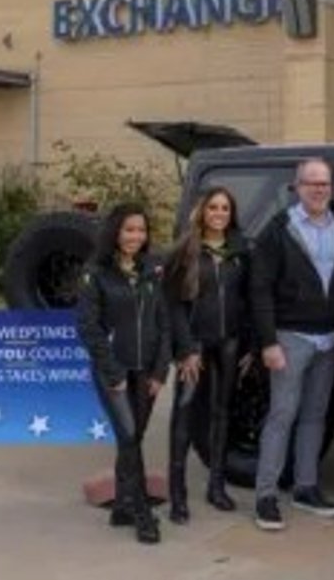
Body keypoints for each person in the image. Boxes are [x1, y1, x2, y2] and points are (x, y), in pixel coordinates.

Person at [249, 157, 334, 531]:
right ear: (296, 187)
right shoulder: (278, 229)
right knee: (282, 415)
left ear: (331, 187)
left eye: (324, 183)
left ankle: (306, 487)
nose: (318, 189)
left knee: (316, 416)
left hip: (329, 339)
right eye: (311, 183)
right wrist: (268, 342)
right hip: (289, 338)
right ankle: (265, 495)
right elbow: (259, 288)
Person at [77, 203, 172, 545]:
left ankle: (122, 505)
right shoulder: (96, 273)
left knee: (132, 440)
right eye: (129, 230)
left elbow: (163, 322)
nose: (136, 236)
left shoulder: (154, 269)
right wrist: (112, 371)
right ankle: (143, 513)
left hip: (146, 370)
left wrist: (160, 371)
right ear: (115, 232)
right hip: (113, 372)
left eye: (141, 230)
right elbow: (88, 327)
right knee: (130, 438)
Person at [162, 185, 248, 524]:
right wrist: (185, 350)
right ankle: (178, 495)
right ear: (203, 211)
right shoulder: (185, 251)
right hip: (195, 344)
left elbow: (247, 298)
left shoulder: (239, 250)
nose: (219, 214)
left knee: (222, 413)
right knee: (184, 414)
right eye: (214, 207)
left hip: (228, 343)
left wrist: (251, 345)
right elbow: (173, 304)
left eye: (225, 209)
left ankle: (216, 486)